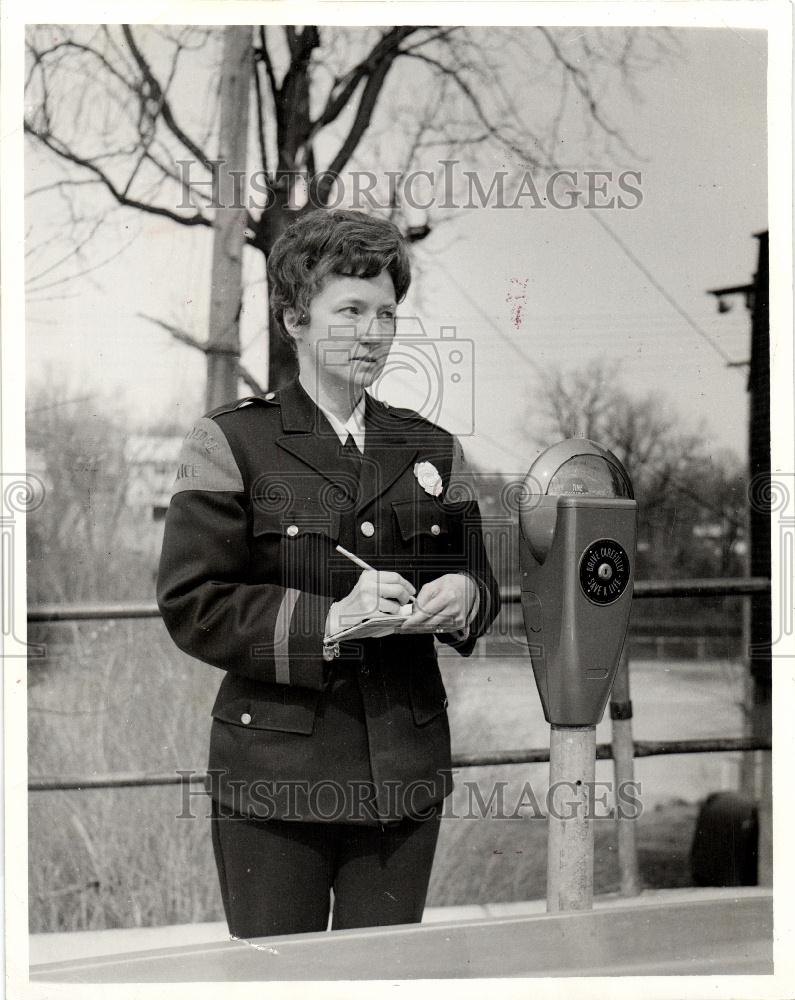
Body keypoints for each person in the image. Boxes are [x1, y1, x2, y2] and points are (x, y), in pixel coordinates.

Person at [157, 208, 500, 939]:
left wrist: (465, 595)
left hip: (401, 775)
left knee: (386, 979)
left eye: (386, 312)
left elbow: (481, 579)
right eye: (349, 310)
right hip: (276, 780)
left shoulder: (431, 447)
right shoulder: (230, 440)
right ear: (294, 320)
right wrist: (334, 621)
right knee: (280, 983)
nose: (373, 332)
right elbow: (194, 603)